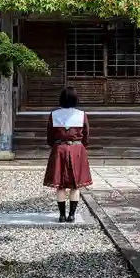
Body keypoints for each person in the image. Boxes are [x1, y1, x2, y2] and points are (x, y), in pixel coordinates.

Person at [43, 86, 92, 223]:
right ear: (76, 99)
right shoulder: (82, 115)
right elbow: (86, 136)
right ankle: (71, 215)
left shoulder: (54, 115)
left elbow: (50, 136)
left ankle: (61, 215)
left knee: (60, 185)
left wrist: (56, 144)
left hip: (59, 148)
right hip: (76, 149)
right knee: (75, 184)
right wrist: (81, 146)